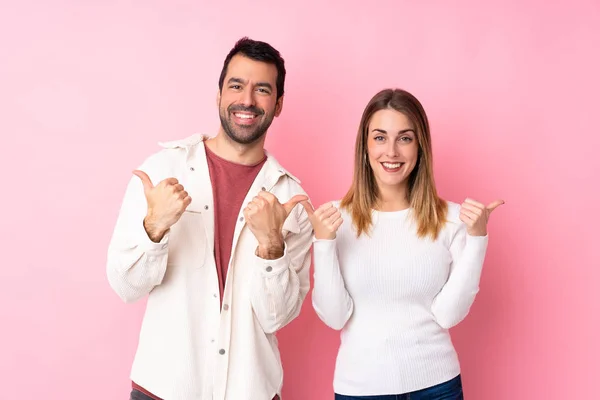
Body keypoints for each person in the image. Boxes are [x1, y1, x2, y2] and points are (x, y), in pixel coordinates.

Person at [106, 37, 313, 400]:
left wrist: (272, 247)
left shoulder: (291, 200)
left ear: (278, 104)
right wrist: (154, 228)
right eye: (236, 85)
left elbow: (276, 318)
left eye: (262, 89)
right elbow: (126, 286)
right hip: (163, 390)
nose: (247, 100)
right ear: (218, 94)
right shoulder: (161, 171)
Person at [302, 88, 503, 400]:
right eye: (380, 137)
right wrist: (323, 242)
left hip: (437, 387)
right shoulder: (334, 219)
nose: (391, 151)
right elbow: (334, 316)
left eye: (405, 138)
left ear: (420, 146)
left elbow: (449, 315)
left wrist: (477, 239)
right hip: (360, 390)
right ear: (365, 146)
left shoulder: (452, 219)